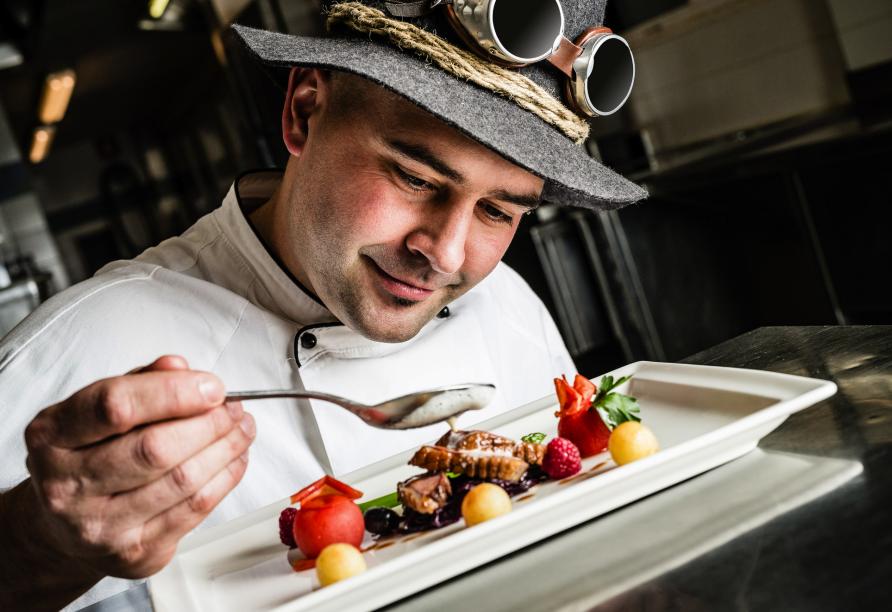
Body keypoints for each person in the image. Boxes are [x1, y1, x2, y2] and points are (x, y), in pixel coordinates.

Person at [0, 1, 645, 609]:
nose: (446, 255)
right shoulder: (76, 351)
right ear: (304, 112)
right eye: (416, 179)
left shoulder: (509, 306)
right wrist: (35, 546)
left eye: (499, 211)